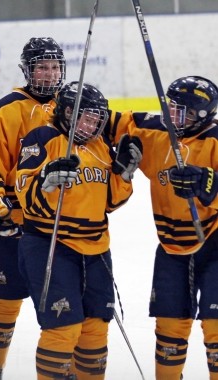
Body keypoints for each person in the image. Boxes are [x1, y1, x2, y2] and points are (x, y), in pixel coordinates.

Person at [15, 81, 143, 380]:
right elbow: (25, 194)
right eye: (86, 117)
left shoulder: (100, 147)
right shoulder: (43, 137)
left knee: (95, 329)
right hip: (50, 244)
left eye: (98, 118)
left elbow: (110, 202)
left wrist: (124, 174)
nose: (93, 124)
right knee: (63, 328)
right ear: (67, 112)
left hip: (96, 248)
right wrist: (46, 180)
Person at [105, 75, 218, 379]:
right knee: (169, 330)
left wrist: (210, 185)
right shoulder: (152, 129)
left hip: (214, 244)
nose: (172, 115)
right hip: (170, 246)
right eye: (171, 107)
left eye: (183, 112)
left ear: (203, 117)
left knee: (217, 329)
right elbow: (101, 118)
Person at [0, 37, 66, 379]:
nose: (49, 73)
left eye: (55, 66)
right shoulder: (5, 110)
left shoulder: (70, 109)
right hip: (10, 222)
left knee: (63, 305)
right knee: (4, 301)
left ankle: (62, 369)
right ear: (27, 70)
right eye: (42, 66)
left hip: (55, 226)